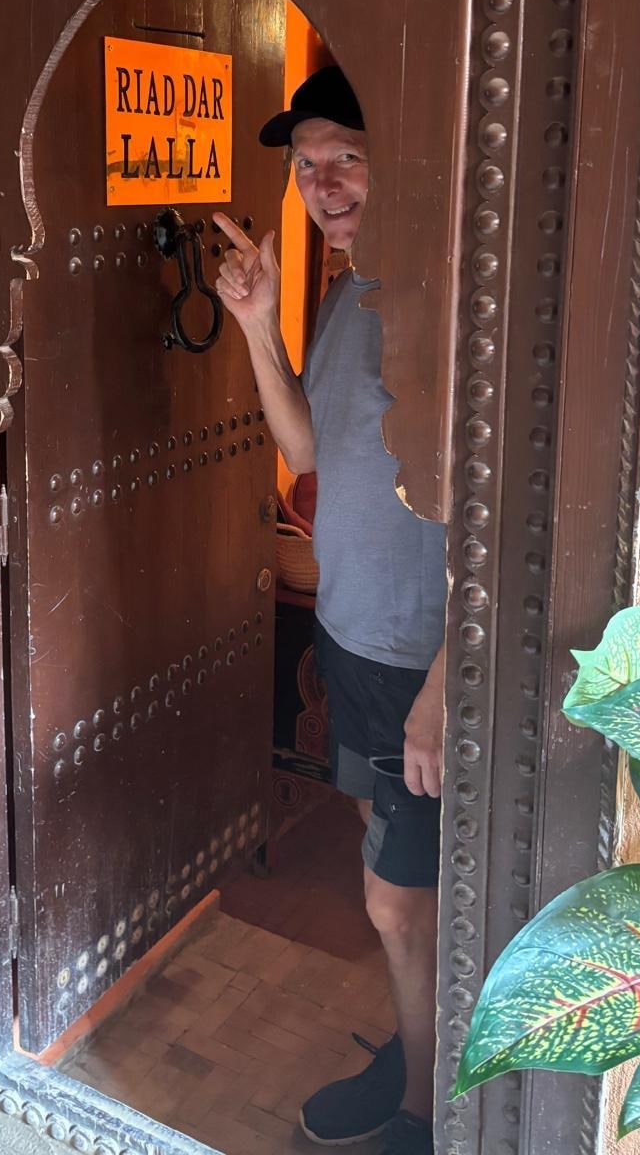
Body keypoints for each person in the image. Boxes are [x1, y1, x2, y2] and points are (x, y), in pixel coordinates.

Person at [213, 64, 446, 1155]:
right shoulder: (352, 291)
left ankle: (426, 1118)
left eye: (347, 155)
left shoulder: (443, 303)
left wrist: (446, 688)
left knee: (400, 903)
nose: (325, 183)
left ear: (401, 159)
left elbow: (500, 508)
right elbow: (306, 450)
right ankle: (419, 1050)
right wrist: (257, 324)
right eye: (307, 166)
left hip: (420, 662)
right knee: (389, 872)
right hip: (354, 637)